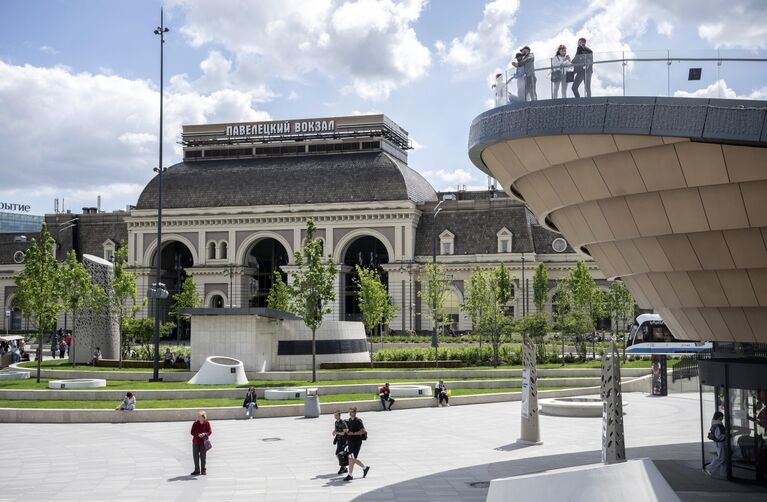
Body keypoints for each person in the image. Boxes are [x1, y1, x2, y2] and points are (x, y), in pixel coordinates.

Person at [344, 407, 370, 481]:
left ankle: (352, 473)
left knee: (352, 458)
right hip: (350, 442)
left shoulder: (358, 421)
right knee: (351, 458)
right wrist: (347, 440)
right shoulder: (349, 420)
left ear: (355, 413)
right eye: (349, 412)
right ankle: (354, 473)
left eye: (351, 412)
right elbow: (349, 431)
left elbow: (363, 431)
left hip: (356, 442)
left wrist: (354, 433)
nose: (350, 413)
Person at [191, 410, 212, 476]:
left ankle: (203, 470)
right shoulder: (195, 423)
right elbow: (192, 432)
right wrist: (198, 435)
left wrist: (204, 434)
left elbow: (210, 431)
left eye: (200, 417)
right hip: (196, 442)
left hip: (203, 442)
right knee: (195, 456)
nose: (199, 418)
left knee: (203, 456)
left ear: (203, 417)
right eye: (198, 417)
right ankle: (196, 470)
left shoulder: (207, 423)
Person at [705, 411, 727, 477]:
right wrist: (726, 435)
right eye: (722, 416)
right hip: (720, 443)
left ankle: (723, 472)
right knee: (721, 458)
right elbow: (719, 436)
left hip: (717, 443)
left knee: (723, 458)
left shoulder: (714, 423)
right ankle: (709, 468)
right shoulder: (719, 425)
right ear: (719, 417)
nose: (722, 418)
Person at [332, 410, 349, 475]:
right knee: (339, 454)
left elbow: (344, 433)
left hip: (343, 440)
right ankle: (343, 467)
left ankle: (343, 467)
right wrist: (334, 432)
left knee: (339, 453)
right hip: (339, 440)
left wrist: (337, 432)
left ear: (339, 415)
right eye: (334, 415)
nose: (335, 416)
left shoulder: (343, 423)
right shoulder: (336, 422)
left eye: (336, 415)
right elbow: (336, 430)